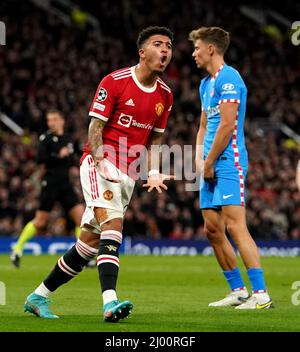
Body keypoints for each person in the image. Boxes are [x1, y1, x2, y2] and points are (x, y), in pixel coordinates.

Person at [23, 26, 174, 322]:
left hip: (128, 174)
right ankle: (110, 303)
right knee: (113, 228)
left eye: (169, 45)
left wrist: (154, 171)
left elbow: (155, 139)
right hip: (99, 165)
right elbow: (95, 126)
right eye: (158, 44)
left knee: (87, 245)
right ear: (142, 52)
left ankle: (37, 297)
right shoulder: (115, 81)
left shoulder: (165, 95)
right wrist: (100, 158)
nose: (165, 50)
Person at [190, 27, 273, 309]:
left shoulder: (230, 78)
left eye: (197, 48)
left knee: (236, 226)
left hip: (228, 161)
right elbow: (203, 126)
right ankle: (237, 290)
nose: (194, 53)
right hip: (211, 163)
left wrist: (211, 161)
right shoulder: (204, 85)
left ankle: (261, 295)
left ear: (211, 49)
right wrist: (200, 159)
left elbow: (227, 125)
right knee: (212, 229)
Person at [10, 109, 84, 268]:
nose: (51, 123)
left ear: (62, 120)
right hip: (50, 183)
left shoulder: (68, 138)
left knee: (81, 219)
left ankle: (84, 255)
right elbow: (39, 159)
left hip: (66, 183)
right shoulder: (46, 139)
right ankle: (17, 248)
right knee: (40, 221)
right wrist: (58, 154)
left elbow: (72, 158)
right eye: (49, 120)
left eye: (54, 119)